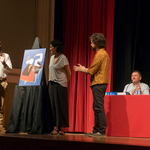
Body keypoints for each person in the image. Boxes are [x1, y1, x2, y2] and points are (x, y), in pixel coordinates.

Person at [74, 33, 110, 137]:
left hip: (99, 83)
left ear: (96, 43)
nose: (90, 45)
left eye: (91, 42)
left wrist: (82, 69)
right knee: (96, 106)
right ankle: (96, 130)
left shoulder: (100, 54)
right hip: (99, 83)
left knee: (98, 106)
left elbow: (92, 70)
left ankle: (101, 130)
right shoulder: (103, 53)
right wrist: (86, 68)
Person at [48, 39, 71, 135]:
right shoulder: (51, 58)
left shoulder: (63, 58)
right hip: (51, 84)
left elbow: (68, 73)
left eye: (51, 47)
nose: (50, 49)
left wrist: (64, 82)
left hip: (60, 85)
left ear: (56, 47)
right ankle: (55, 127)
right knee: (53, 106)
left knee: (61, 106)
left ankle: (62, 128)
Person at [0, 41, 12, 132]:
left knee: (2, 106)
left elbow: (10, 69)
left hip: (2, 82)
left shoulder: (5, 56)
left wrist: (4, 63)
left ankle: (0, 126)